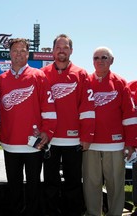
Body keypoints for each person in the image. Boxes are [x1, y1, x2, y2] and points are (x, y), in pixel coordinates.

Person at [0, 38, 57, 216]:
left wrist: (47, 131)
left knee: (33, 184)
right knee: (13, 184)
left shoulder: (38, 76)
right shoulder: (1, 79)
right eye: (15, 51)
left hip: (33, 143)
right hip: (10, 142)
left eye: (23, 51)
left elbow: (48, 107)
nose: (19, 54)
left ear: (28, 53)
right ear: (10, 53)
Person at [41, 34, 95, 216]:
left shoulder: (81, 74)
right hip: (50, 139)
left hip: (73, 140)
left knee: (73, 182)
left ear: (71, 50)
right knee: (50, 182)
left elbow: (87, 108)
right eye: (58, 47)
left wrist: (86, 136)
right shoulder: (43, 74)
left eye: (65, 47)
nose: (61, 50)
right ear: (53, 50)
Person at [82, 46, 137, 216]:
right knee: (91, 185)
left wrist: (131, 143)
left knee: (116, 186)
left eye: (104, 57)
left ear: (111, 61)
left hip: (115, 145)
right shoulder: (85, 82)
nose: (99, 61)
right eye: (96, 58)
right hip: (90, 145)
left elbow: (130, 116)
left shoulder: (120, 83)